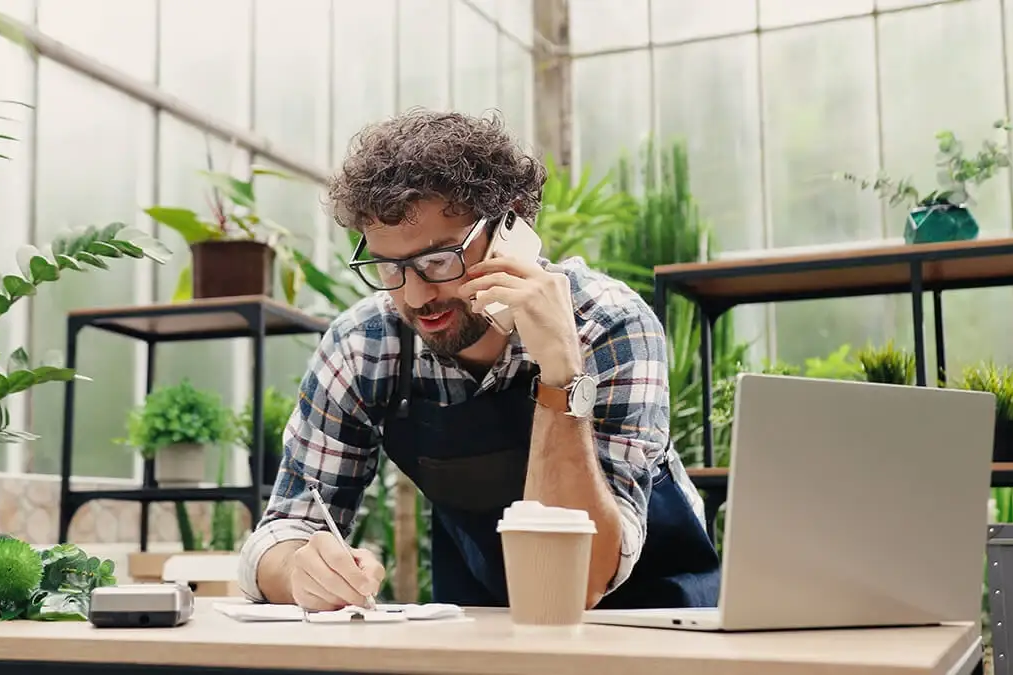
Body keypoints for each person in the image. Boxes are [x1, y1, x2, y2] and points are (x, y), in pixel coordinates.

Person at [236, 109, 721, 612]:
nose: (418, 294)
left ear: (511, 225)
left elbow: (578, 585)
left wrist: (561, 376)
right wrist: (301, 572)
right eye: (389, 266)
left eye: (440, 259)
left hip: (655, 623)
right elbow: (285, 529)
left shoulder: (607, 325)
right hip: (482, 622)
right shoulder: (366, 345)